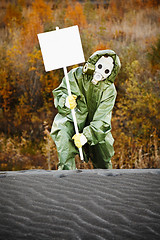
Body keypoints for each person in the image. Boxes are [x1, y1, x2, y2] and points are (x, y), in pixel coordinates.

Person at [50, 49, 121, 170]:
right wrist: (65, 101)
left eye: (107, 71)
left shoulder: (109, 90)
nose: (101, 72)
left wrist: (86, 136)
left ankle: (105, 182)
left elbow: (102, 119)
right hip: (73, 119)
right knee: (62, 133)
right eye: (99, 66)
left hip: (95, 127)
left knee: (103, 152)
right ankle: (67, 179)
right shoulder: (76, 75)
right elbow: (61, 92)